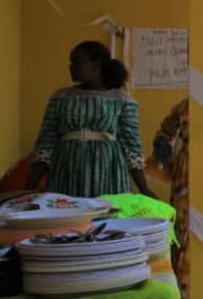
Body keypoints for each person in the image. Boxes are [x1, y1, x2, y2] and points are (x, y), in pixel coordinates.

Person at [27, 41, 154, 198]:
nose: (70, 67)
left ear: (95, 65)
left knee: (107, 219)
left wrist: (144, 189)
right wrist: (28, 188)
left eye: (76, 62)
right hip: (67, 172)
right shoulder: (61, 97)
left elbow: (132, 147)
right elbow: (46, 143)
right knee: (68, 217)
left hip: (109, 174)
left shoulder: (122, 100)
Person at [149, 97, 190, 299]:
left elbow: (162, 137)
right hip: (188, 173)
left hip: (191, 172)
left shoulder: (186, 105)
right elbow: (162, 137)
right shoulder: (185, 106)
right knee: (184, 232)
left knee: (187, 233)